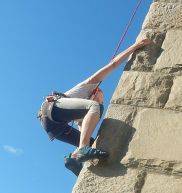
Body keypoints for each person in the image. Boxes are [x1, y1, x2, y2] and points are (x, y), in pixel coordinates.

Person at [38, 37, 151, 176]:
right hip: (52, 106)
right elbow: (113, 64)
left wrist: (82, 147)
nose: (101, 103)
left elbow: (83, 133)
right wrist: (135, 46)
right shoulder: (88, 86)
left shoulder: (79, 113)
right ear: (96, 92)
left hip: (53, 127)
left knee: (92, 143)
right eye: (101, 99)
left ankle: (72, 160)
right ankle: (83, 150)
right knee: (94, 109)